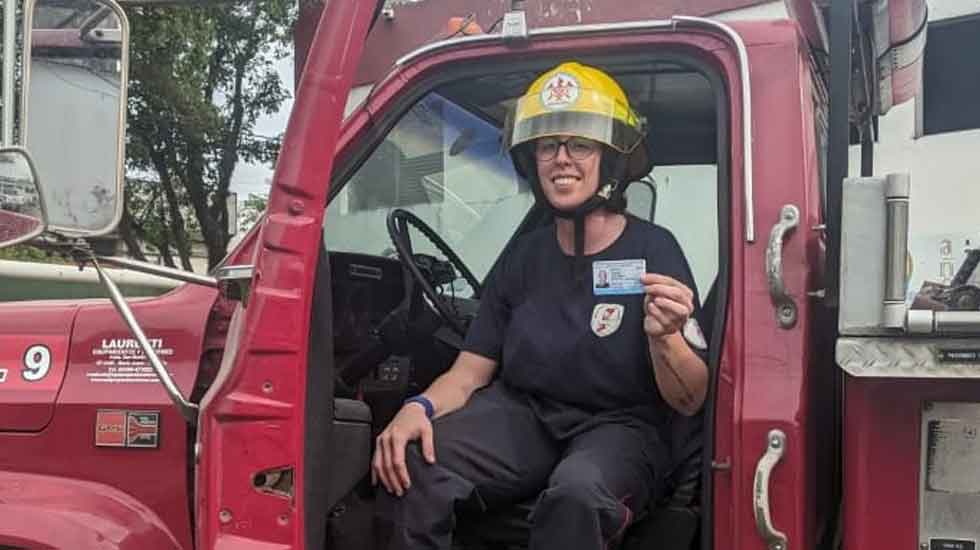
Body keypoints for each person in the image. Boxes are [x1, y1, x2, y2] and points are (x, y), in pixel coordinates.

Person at [373, 62, 709, 550]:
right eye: (548, 146)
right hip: (525, 415)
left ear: (612, 159)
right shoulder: (524, 257)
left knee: (577, 497)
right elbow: (469, 373)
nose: (561, 159)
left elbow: (690, 399)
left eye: (580, 144)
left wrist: (666, 338)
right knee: (412, 460)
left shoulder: (656, 251)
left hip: (622, 426)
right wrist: (417, 406)